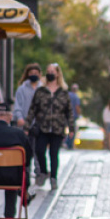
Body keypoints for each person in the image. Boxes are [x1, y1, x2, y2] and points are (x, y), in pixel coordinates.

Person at [27, 63, 74, 191]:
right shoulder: (40, 91)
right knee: (39, 150)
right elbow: (32, 109)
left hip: (58, 128)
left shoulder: (63, 92)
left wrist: (71, 128)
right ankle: (43, 171)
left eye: (52, 71)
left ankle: (54, 178)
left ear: (58, 73)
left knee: (54, 153)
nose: (50, 73)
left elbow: (69, 111)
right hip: (42, 126)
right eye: (48, 71)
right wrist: (27, 126)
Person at [12, 63, 42, 129]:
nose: (33, 75)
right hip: (25, 123)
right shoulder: (21, 89)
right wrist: (19, 118)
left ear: (39, 74)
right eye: (31, 73)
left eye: (36, 73)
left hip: (39, 124)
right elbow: (17, 105)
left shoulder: (43, 88)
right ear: (28, 74)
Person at [64, 84, 82, 150]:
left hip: (65, 115)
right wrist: (79, 114)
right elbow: (77, 107)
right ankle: (69, 144)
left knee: (63, 129)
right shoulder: (76, 97)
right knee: (72, 130)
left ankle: (64, 142)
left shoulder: (67, 95)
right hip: (72, 115)